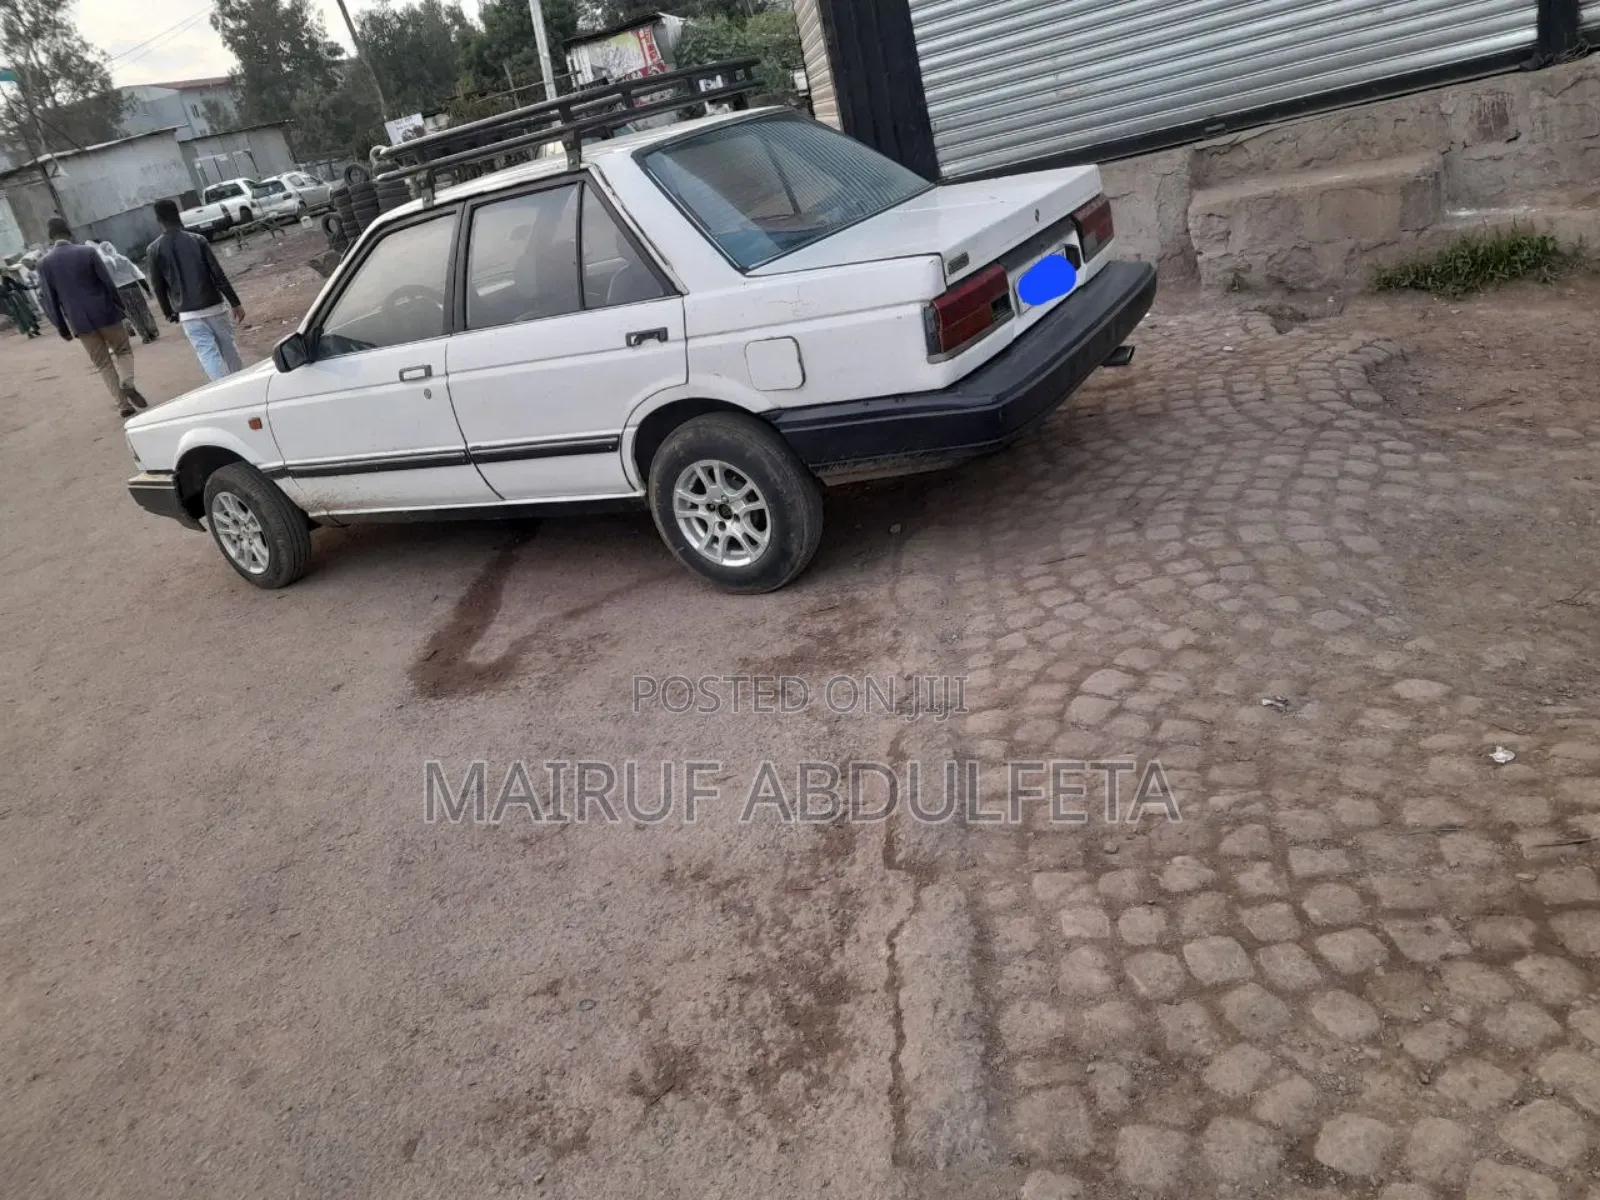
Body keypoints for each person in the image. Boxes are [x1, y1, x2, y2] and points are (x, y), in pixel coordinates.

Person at [35, 216, 148, 418]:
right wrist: (121, 308)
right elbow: (108, 283)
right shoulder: (87, 252)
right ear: (69, 232)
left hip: (80, 322)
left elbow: (51, 300)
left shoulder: (44, 263)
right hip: (106, 313)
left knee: (103, 363)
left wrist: (62, 327)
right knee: (123, 350)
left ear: (50, 237)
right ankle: (127, 382)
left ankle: (123, 405)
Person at [146, 199, 246, 380]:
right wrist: (235, 302)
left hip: (187, 313)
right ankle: (242, 381)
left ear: (158, 220)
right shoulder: (198, 240)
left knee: (207, 354)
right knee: (228, 348)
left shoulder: (154, 249)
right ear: (178, 216)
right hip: (214, 305)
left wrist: (168, 312)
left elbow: (158, 286)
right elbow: (218, 274)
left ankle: (222, 390)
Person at [93, 240, 160, 344]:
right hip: (133, 286)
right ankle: (153, 331)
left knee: (132, 314)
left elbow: (106, 282)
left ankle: (145, 336)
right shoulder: (123, 259)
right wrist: (147, 289)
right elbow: (137, 274)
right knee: (143, 310)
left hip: (120, 291)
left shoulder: (103, 265)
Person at [0, 269, 41, 337]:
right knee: (21, 316)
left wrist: (29, 287)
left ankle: (33, 329)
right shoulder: (3, 283)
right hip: (13, 302)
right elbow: (2, 293)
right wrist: (10, 293)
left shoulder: (10, 280)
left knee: (27, 313)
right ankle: (29, 332)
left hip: (19, 299)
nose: (6, 273)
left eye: (6, 271)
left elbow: (18, 286)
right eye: (4, 272)